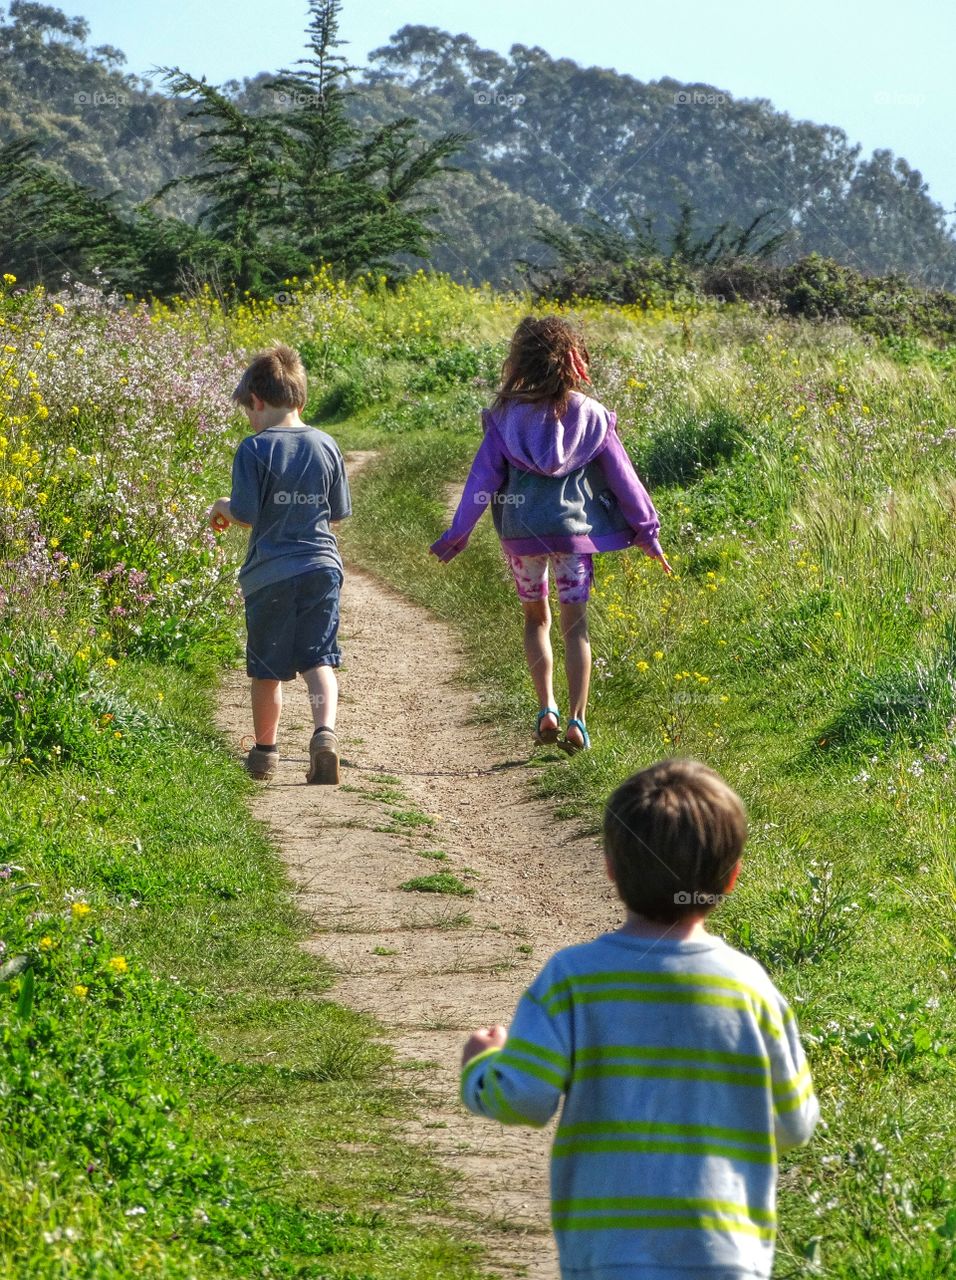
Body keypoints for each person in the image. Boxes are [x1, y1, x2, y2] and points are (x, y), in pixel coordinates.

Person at [461, 758, 819, 1280]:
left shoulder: (573, 979)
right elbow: (794, 1123)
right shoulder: (750, 987)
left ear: (610, 864)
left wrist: (483, 1068)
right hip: (728, 1255)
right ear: (732, 876)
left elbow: (526, 1098)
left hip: (610, 1254)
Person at [430, 315, 670, 755]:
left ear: (520, 362)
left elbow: (481, 482)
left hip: (523, 538)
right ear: (572, 362)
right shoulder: (593, 417)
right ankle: (578, 721)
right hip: (574, 537)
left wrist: (457, 535)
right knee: (575, 628)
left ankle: (547, 709)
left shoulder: (505, 418)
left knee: (536, 620)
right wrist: (647, 533)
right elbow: (625, 482)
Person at [207, 342, 350, 784]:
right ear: (301, 401)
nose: (249, 419)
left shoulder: (253, 450)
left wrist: (221, 506)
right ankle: (324, 735)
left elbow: (246, 513)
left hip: (269, 576)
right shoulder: (327, 444)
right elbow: (338, 512)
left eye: (248, 410)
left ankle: (265, 752)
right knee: (318, 660)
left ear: (257, 400)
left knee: (267, 670)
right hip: (322, 569)